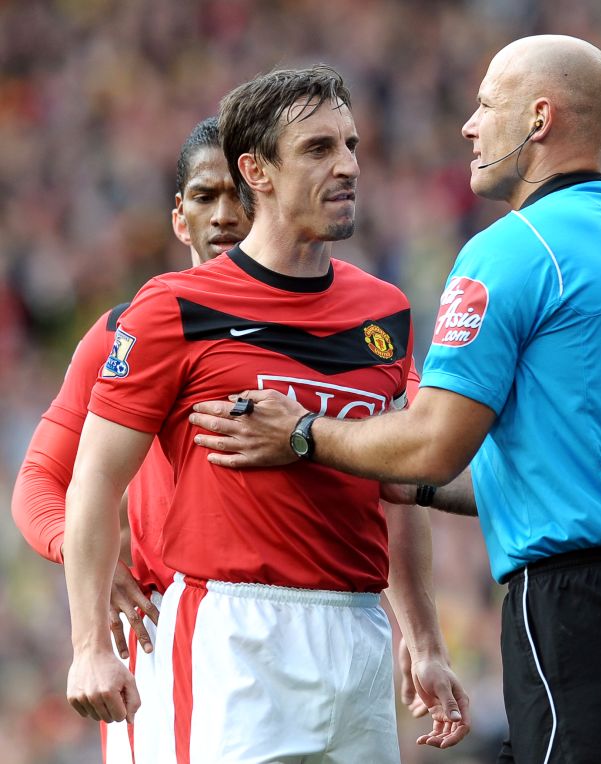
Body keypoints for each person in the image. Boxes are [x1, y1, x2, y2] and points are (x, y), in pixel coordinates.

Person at [190, 35, 601, 764]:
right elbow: (574, 467)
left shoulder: (511, 249)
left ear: (539, 119)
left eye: (487, 104)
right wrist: (412, 486)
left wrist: (304, 433)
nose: (469, 124)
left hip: (573, 606)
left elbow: (433, 439)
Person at [62, 65, 468, 762]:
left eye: (351, 144)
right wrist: (90, 649)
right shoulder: (172, 309)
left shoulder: (385, 310)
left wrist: (423, 642)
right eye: (318, 149)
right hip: (234, 635)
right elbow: (93, 481)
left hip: (360, 631)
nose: (347, 166)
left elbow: (398, 492)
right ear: (258, 171)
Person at [11, 116, 251, 763]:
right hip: (166, 633)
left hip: (309, 637)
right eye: (206, 195)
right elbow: (38, 483)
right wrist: (86, 556)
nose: (226, 214)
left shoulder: (343, 321)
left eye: (242, 193)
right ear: (179, 217)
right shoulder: (123, 334)